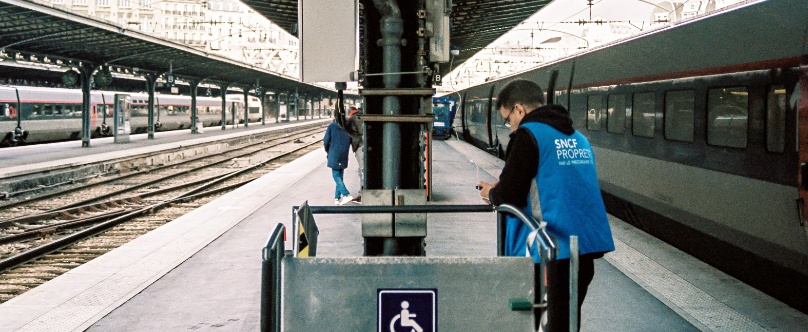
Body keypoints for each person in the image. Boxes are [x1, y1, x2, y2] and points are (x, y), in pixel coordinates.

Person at [476, 79, 615, 331]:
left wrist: (491, 194)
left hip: (549, 252)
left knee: (543, 325)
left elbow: (508, 194)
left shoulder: (528, 135)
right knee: (566, 323)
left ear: (520, 109)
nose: (510, 127)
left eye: (508, 119)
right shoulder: (579, 138)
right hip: (581, 252)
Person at [324, 114, 354, 205]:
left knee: (336, 176)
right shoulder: (348, 127)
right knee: (340, 176)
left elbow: (326, 140)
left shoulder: (332, 126)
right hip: (344, 154)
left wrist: (327, 150)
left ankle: (346, 194)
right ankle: (337, 198)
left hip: (334, 153)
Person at [345, 106, 364, 203]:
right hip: (364, 145)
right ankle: (363, 193)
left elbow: (357, 133)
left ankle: (363, 195)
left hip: (360, 146)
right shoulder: (361, 115)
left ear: (350, 112)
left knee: (362, 170)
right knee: (362, 170)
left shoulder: (353, 119)